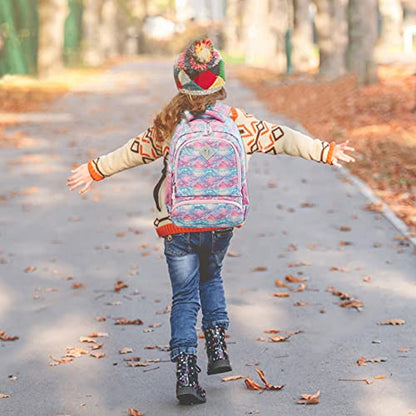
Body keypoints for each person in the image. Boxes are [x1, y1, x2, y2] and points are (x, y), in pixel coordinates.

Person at [67, 38, 355, 405]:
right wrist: (325, 151)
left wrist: (95, 170)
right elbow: (282, 138)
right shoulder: (237, 123)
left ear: (179, 81)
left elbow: (132, 153)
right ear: (220, 82)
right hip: (220, 223)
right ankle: (217, 345)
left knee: (184, 296)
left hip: (178, 226)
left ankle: (186, 372)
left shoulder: (169, 125)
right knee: (212, 277)